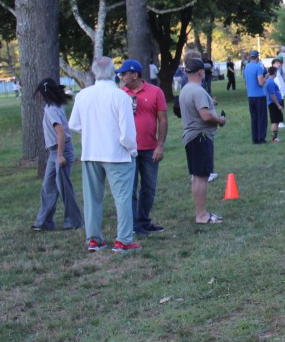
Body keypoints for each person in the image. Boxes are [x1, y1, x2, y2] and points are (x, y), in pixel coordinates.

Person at [68, 56, 140, 253]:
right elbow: (127, 132)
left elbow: (74, 124)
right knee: (122, 197)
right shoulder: (120, 96)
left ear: (94, 72)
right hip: (117, 154)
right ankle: (124, 240)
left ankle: (94, 239)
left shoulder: (83, 95)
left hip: (91, 153)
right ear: (114, 72)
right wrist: (132, 149)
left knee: (92, 198)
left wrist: (91, 132)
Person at [118, 59, 168, 237]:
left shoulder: (155, 92)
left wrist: (160, 145)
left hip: (149, 148)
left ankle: (144, 221)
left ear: (135, 75)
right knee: (129, 189)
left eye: (124, 74)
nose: (121, 77)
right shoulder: (120, 94)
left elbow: (163, 120)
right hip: (128, 149)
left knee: (149, 187)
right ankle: (132, 225)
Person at [32, 78, 83, 232]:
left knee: (64, 187)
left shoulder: (52, 109)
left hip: (61, 150)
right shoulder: (52, 107)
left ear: (44, 93)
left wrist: (60, 156)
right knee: (48, 186)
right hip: (53, 152)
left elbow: (61, 133)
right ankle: (44, 221)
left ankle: (73, 221)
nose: (39, 96)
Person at [180, 58, 226, 223]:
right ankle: (201, 215)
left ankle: (201, 213)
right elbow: (205, 116)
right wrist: (220, 120)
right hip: (200, 137)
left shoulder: (186, 89)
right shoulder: (198, 91)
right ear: (200, 71)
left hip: (193, 137)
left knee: (198, 176)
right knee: (201, 176)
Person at [243, 50, 268, 144]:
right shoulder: (258, 67)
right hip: (259, 95)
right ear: (257, 57)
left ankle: (255, 138)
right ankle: (261, 138)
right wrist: (266, 77)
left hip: (250, 95)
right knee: (262, 117)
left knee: (254, 118)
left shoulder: (246, 67)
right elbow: (260, 83)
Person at [264, 66, 284, 143]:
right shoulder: (270, 82)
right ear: (274, 73)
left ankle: (275, 137)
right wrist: (278, 105)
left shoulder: (270, 81)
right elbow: (272, 95)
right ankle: (274, 138)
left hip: (274, 103)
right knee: (274, 121)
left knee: (277, 120)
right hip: (273, 104)